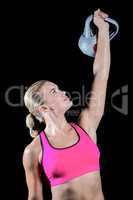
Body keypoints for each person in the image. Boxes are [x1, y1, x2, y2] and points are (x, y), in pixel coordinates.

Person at [23, 9, 110, 200]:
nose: (63, 92)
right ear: (43, 108)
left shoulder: (86, 125)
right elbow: (35, 198)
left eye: (59, 88)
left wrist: (103, 29)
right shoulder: (33, 151)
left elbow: (101, 73)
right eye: (54, 92)